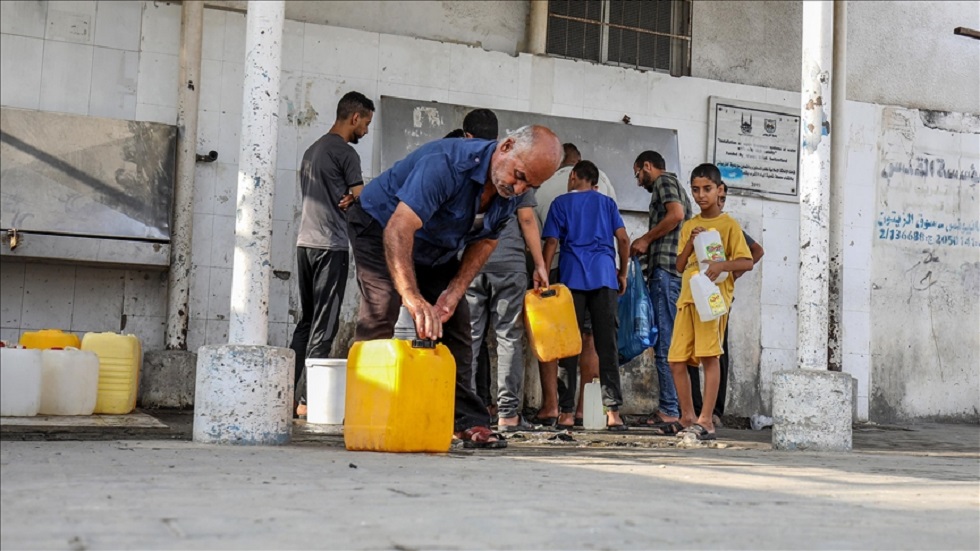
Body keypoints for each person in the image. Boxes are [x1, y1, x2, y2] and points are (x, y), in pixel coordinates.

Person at [346, 125, 563, 449]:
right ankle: (362, 413)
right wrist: (412, 296)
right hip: (380, 227)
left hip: (435, 246)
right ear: (505, 147)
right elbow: (399, 229)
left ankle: (467, 423)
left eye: (530, 185)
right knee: (382, 309)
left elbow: (487, 241)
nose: (518, 189)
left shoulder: (508, 192)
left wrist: (454, 291)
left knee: (458, 324)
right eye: (518, 176)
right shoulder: (446, 164)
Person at [453, 111, 550, 431]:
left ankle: (463, 414)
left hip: (471, 265)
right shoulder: (516, 163)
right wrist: (539, 263)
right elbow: (527, 221)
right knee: (509, 338)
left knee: (471, 338)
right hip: (509, 267)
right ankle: (508, 415)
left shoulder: (471, 164)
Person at [289, 91, 374, 418]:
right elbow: (361, 198)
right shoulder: (346, 154)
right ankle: (309, 401)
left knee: (306, 322)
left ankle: (287, 393)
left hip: (305, 243)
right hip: (331, 246)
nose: (365, 131)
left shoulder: (312, 150)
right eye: (366, 123)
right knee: (325, 326)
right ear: (355, 117)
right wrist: (357, 202)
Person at [530, 143, 617, 429]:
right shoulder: (607, 199)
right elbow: (625, 240)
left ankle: (561, 411)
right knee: (603, 345)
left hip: (570, 277)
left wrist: (541, 272)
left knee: (567, 344)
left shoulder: (554, 196)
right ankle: (607, 413)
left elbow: (551, 242)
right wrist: (624, 272)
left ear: (570, 173)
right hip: (605, 277)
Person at [667, 163, 753, 441]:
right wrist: (691, 243)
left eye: (707, 189)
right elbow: (680, 266)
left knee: (709, 356)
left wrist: (723, 267)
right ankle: (687, 416)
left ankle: (707, 420)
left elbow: (747, 261)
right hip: (688, 299)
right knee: (677, 359)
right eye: (695, 190)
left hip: (713, 300)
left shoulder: (728, 225)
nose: (701, 195)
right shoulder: (690, 225)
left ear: (720, 190)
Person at [688, 182, 765, 425]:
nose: (708, 199)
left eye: (712, 194)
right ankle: (696, 410)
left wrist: (730, 273)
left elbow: (756, 252)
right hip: (694, 293)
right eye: (697, 191)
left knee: (716, 351)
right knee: (689, 352)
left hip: (716, 296)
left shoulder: (727, 226)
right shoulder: (696, 227)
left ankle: (713, 413)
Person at [629, 150, 692, 430]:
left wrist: (645, 238)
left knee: (666, 343)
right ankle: (675, 406)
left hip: (667, 273)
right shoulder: (674, 186)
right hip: (669, 272)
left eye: (638, 174)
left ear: (647, 166)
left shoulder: (665, 183)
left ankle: (669, 409)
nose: (638, 181)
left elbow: (675, 215)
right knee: (669, 342)